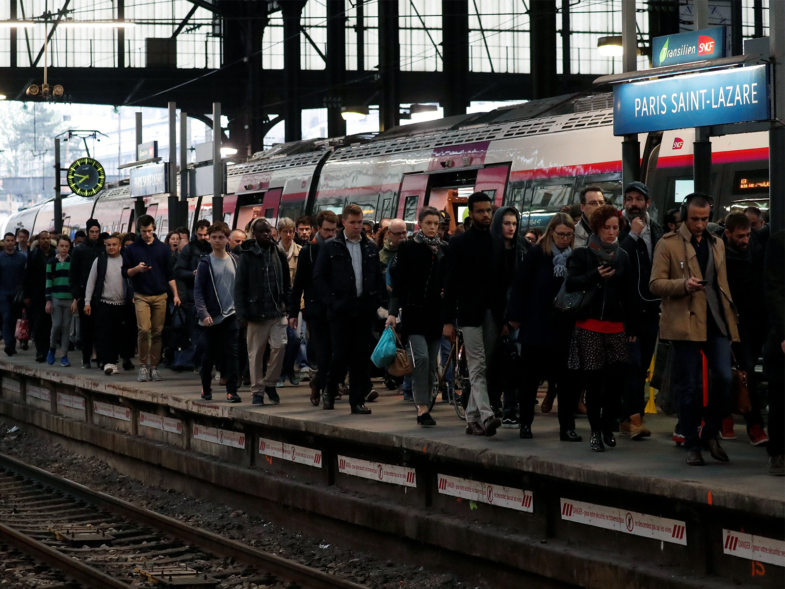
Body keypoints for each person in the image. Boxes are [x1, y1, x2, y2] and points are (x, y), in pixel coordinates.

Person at [650, 193, 739, 466]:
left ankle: (709, 434)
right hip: (685, 323)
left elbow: (721, 284)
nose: (700, 224)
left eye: (705, 218)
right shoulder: (668, 244)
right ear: (683, 216)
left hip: (716, 320)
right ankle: (691, 442)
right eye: (694, 219)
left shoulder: (718, 243)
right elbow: (655, 283)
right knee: (688, 386)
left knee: (725, 378)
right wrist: (682, 285)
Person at [566, 205, 636, 452]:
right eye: (606, 227)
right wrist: (595, 275)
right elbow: (571, 282)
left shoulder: (623, 256)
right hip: (589, 324)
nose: (611, 232)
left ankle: (608, 425)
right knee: (594, 382)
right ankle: (595, 430)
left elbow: (629, 294)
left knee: (617, 382)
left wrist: (632, 325)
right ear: (596, 227)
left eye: (615, 227)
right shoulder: (583, 255)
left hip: (616, 326)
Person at [508, 213, 580, 441]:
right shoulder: (537, 253)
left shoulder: (575, 257)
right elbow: (521, 285)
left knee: (567, 381)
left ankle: (567, 427)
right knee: (530, 380)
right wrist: (515, 317)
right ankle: (526, 424)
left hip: (564, 326)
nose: (565, 239)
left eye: (569, 235)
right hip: (536, 324)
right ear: (551, 233)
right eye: (561, 234)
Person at [442, 192, 505, 436]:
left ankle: (472, 417)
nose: (486, 215)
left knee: (483, 365)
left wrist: (505, 318)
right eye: (480, 211)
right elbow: (450, 283)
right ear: (471, 213)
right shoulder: (458, 244)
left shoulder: (498, 242)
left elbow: (502, 282)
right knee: (478, 365)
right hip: (468, 314)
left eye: (488, 210)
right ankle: (487, 415)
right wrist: (447, 320)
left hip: (493, 313)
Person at [313, 204, 384, 414]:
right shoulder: (330, 246)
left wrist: (375, 300)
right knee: (340, 354)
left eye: (360, 222)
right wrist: (332, 301)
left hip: (363, 308)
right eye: (352, 222)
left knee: (360, 356)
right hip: (340, 309)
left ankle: (357, 401)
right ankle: (330, 388)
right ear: (343, 223)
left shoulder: (370, 247)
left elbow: (378, 277)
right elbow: (319, 277)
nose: (356, 226)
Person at [387, 207, 447, 427]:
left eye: (436, 224)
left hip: (435, 313)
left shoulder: (443, 249)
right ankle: (421, 407)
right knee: (420, 358)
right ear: (419, 224)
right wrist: (393, 313)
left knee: (431, 362)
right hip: (413, 312)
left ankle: (426, 402)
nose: (432, 227)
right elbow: (399, 283)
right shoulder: (408, 247)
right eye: (428, 223)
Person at [618, 181, 664, 439]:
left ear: (648, 202)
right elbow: (616, 258)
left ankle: (628, 416)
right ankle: (634, 418)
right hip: (626, 311)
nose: (633, 204)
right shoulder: (617, 228)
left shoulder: (656, 229)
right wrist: (632, 235)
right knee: (632, 364)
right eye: (629, 199)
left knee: (643, 363)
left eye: (638, 199)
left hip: (651, 310)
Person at [719, 212, 769, 445]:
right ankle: (754, 424)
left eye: (748, 234)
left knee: (742, 373)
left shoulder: (756, 241)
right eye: (741, 236)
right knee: (746, 371)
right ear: (728, 233)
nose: (745, 240)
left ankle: (726, 416)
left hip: (758, 319)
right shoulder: (719, 255)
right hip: (736, 322)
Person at [235, 218, 291, 405]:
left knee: (280, 346)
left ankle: (271, 383)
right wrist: (241, 313)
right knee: (256, 353)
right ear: (254, 234)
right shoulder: (247, 254)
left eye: (268, 231)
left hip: (276, 310)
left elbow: (286, 281)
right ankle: (257, 391)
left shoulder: (278, 252)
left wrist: (288, 304)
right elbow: (240, 286)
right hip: (256, 312)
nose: (266, 235)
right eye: (262, 232)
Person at [122, 215, 182, 382]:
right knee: (143, 330)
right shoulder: (132, 249)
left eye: (149, 231)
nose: (147, 234)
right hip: (141, 294)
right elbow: (125, 272)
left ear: (154, 229)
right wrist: (136, 269)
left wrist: (175, 294)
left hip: (160, 294)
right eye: (143, 232)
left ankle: (154, 366)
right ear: (139, 231)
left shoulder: (162, 249)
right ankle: (143, 365)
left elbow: (170, 274)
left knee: (157, 331)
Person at [290, 210, 339, 406]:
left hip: (336, 308)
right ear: (318, 228)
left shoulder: (339, 247)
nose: (331, 234)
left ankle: (323, 383)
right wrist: (294, 313)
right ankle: (324, 386)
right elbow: (298, 284)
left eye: (334, 230)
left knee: (338, 352)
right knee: (324, 353)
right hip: (316, 310)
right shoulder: (308, 251)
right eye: (327, 230)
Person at [195, 223, 241, 402]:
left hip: (232, 315)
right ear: (209, 239)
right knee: (210, 354)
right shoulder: (205, 263)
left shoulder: (236, 260)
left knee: (232, 353)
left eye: (221, 237)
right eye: (213, 237)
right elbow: (198, 292)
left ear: (227, 239)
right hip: (212, 317)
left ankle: (232, 391)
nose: (217, 241)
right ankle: (206, 388)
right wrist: (203, 314)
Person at [489, 206, 521, 421]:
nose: (511, 228)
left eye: (514, 224)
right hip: (493, 314)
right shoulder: (490, 248)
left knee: (514, 360)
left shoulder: (523, 249)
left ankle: (510, 407)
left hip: (516, 316)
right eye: (507, 223)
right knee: (493, 361)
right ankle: (491, 403)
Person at [84, 233, 132, 375]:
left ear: (120, 246)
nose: (111, 247)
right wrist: (88, 302)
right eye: (108, 245)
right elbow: (91, 282)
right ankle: (108, 362)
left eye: (114, 245)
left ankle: (116, 360)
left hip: (122, 304)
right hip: (105, 303)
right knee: (105, 334)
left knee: (119, 334)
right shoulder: (99, 261)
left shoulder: (126, 260)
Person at [175, 219, 212, 365]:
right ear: (195, 233)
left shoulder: (213, 249)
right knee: (195, 331)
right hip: (193, 297)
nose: (203, 238)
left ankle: (205, 360)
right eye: (200, 234)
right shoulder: (188, 249)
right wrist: (192, 274)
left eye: (206, 235)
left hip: (210, 296)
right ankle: (199, 360)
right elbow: (178, 271)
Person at [69, 219, 105, 368]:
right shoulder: (79, 250)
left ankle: (100, 357)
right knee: (86, 329)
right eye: (92, 232)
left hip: (102, 295)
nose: (95, 235)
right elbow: (73, 273)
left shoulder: (104, 249)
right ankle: (86, 358)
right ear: (87, 232)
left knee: (101, 328)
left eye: (97, 232)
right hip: (84, 295)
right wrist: (77, 295)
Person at [763, 230, 784, 475]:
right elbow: (775, 290)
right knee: (780, 393)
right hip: (783, 332)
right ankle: (777, 451)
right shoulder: (779, 242)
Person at [278, 217, 302, 387]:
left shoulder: (300, 252)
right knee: (279, 342)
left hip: (295, 305)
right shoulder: (273, 251)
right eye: (285, 231)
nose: (289, 235)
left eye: (291, 231)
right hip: (277, 305)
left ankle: (289, 370)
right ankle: (279, 372)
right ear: (279, 233)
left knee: (295, 338)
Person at [24, 231, 53, 362]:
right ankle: (40, 351)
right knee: (39, 322)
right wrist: (27, 295)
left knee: (50, 323)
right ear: (39, 241)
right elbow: (27, 275)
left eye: (48, 238)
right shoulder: (33, 255)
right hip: (38, 294)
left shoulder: (55, 254)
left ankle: (48, 349)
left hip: (53, 293)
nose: (46, 240)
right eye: (43, 238)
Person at [45, 235, 74, 367]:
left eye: (66, 246)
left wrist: (75, 299)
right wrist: (48, 300)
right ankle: (52, 349)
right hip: (56, 297)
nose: (64, 249)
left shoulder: (72, 262)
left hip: (69, 298)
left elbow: (75, 281)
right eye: (61, 246)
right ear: (57, 247)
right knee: (56, 325)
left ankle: (64, 355)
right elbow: (48, 282)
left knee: (66, 327)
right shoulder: (51, 262)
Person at [0, 232, 27, 356]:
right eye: (8, 240)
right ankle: (9, 344)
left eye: (12, 240)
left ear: (14, 241)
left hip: (17, 294)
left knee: (15, 319)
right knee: (6, 318)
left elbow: (25, 275)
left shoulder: (21, 258)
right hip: (3, 293)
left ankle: (14, 342)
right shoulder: (0, 257)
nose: (10, 243)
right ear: (4, 242)